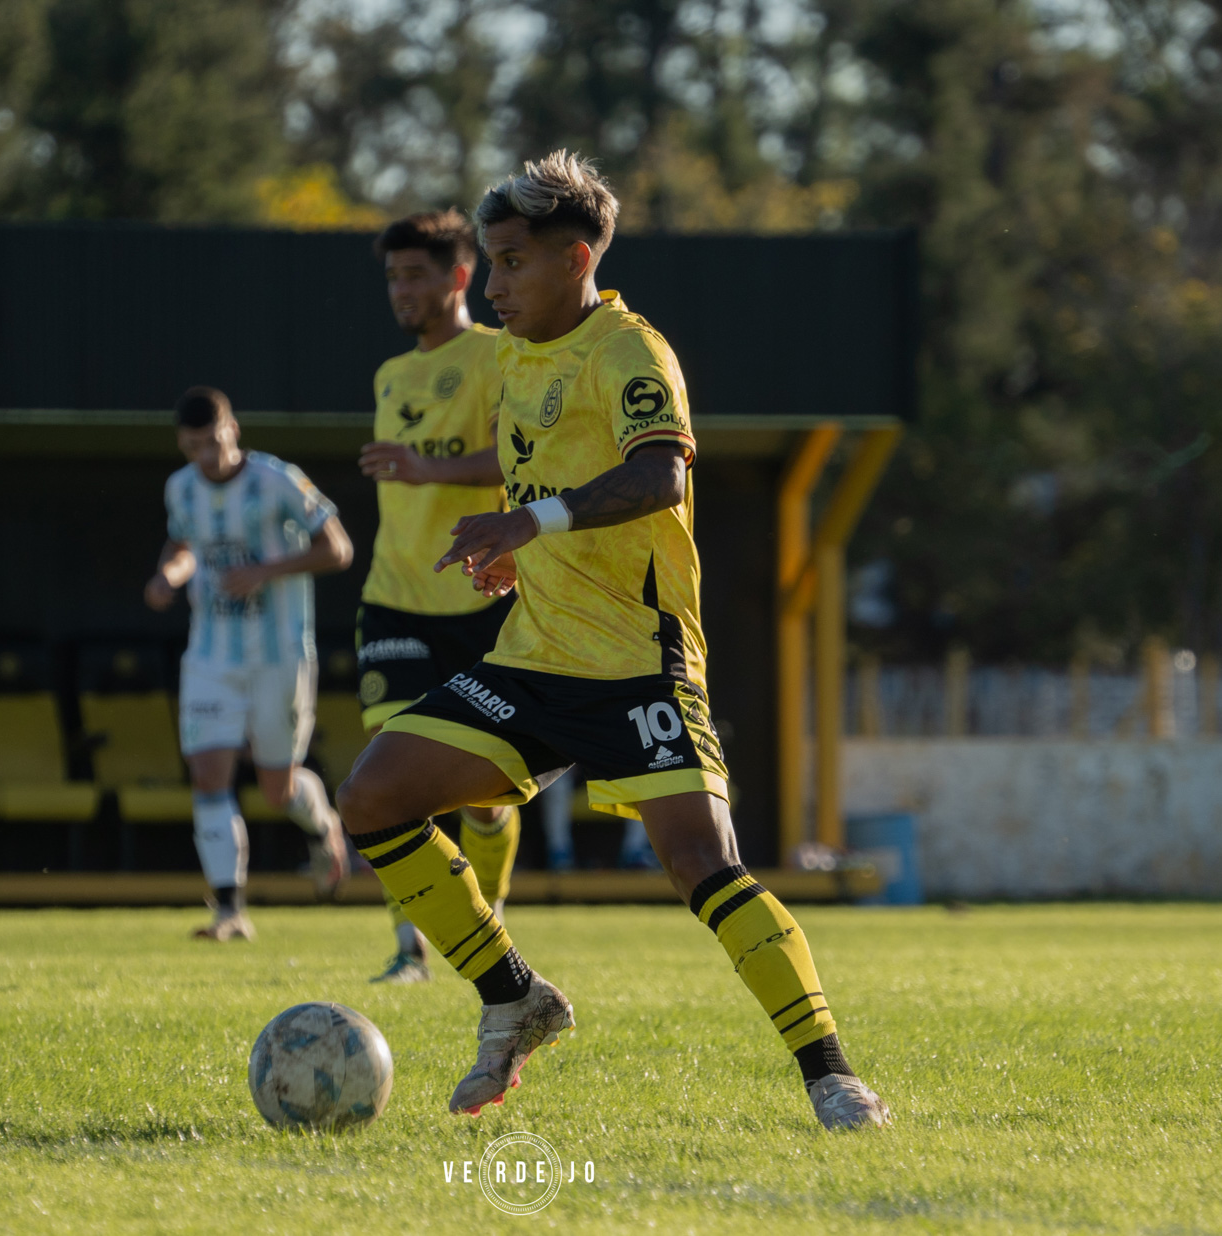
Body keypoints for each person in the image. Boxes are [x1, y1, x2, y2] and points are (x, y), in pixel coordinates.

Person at [333, 151, 892, 1129]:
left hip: (640, 660)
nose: (495, 285)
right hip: (534, 652)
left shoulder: (631, 351)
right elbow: (537, 470)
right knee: (375, 795)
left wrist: (527, 525)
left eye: (510, 264)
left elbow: (660, 477)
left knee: (703, 865)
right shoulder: (512, 356)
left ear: (576, 258)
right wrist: (518, 550)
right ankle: (512, 997)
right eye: (493, 265)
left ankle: (831, 1075)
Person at [354, 210, 526, 983]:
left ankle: (482, 933)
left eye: (415, 274)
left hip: (480, 603)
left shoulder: (501, 356)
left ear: (459, 277)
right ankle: (408, 951)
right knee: (392, 781)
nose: (400, 290)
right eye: (391, 277)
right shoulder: (390, 373)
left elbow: (518, 458)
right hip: (394, 599)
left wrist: (426, 468)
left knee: (487, 802)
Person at [145, 386, 354, 942]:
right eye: (193, 448)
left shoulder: (277, 480)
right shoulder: (181, 487)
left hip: (278, 654)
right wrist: (170, 575)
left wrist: (266, 571)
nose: (205, 458)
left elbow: (338, 549)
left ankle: (322, 824)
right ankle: (229, 910)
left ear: (232, 429)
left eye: (212, 443)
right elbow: (182, 546)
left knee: (275, 790)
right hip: (211, 655)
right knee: (208, 774)